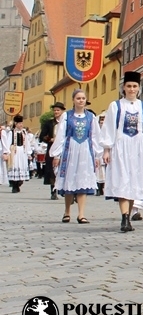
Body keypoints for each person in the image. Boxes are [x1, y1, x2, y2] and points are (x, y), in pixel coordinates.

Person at [100, 72, 143, 232]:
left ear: (139, 88)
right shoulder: (115, 106)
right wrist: (106, 149)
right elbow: (109, 128)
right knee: (122, 180)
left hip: (138, 147)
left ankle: (128, 216)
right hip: (121, 145)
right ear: (124, 88)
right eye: (129, 86)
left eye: (134, 86)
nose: (132, 89)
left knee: (134, 181)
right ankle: (124, 217)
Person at [49, 89, 100, 223]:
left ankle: (81, 214)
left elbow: (95, 136)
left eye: (83, 98)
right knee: (69, 180)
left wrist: (97, 155)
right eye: (78, 98)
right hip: (70, 149)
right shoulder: (67, 116)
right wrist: (57, 155)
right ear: (73, 100)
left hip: (85, 150)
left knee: (82, 180)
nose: (81, 101)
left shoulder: (91, 117)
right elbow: (61, 136)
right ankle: (67, 211)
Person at [39, 102, 65, 200]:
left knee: (65, 168)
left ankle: (67, 191)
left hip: (64, 148)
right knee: (52, 169)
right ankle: (53, 191)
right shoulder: (49, 123)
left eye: (58, 110)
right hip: (52, 148)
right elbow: (42, 136)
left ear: (62, 111)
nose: (56, 112)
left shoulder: (66, 122)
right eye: (55, 110)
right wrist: (50, 139)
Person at [2, 115, 33, 193]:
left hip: (22, 151)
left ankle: (19, 182)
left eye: (21, 123)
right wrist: (7, 152)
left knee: (22, 166)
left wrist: (29, 153)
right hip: (14, 151)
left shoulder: (24, 132)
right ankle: (14, 185)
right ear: (15, 124)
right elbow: (8, 142)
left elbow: (27, 143)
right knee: (14, 166)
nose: (21, 125)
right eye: (19, 123)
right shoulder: (11, 132)